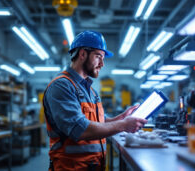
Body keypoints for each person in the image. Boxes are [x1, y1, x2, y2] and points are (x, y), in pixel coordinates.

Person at [43, 30, 147, 171]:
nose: (102, 64)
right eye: (98, 56)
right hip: (71, 167)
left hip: (94, 166)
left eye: (103, 58)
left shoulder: (90, 90)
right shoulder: (61, 85)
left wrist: (121, 118)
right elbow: (80, 129)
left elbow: (99, 122)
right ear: (82, 54)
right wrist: (123, 125)